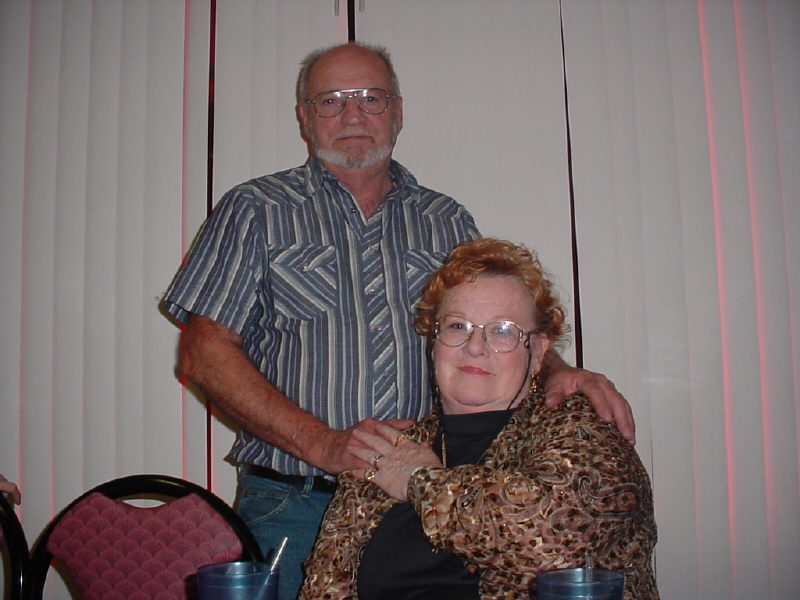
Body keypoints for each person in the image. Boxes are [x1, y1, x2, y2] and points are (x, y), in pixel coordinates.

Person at [162, 42, 635, 599]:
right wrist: (325, 446)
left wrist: (557, 370)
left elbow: (494, 322)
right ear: (305, 117)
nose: (352, 114)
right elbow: (204, 354)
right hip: (294, 501)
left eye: (371, 97)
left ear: (399, 111)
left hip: (429, 497)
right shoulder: (255, 209)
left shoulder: (446, 219)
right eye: (331, 100)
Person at [300, 238, 659, 600]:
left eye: (502, 330)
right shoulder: (390, 449)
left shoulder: (582, 429)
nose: (474, 346)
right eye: (458, 326)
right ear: (433, 340)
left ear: (538, 352)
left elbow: (548, 541)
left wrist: (420, 481)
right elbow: (325, 583)